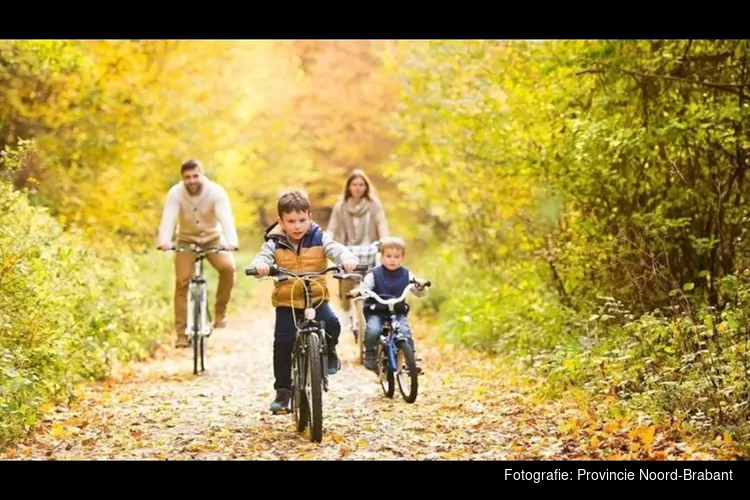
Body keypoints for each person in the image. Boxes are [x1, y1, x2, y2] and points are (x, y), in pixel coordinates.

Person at [247, 189, 359, 414]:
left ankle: (329, 351)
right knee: (283, 342)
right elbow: (263, 257)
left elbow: (335, 249)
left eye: (302, 220)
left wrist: (346, 258)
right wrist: (261, 267)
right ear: (281, 221)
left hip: (315, 297)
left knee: (333, 324)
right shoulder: (274, 242)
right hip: (287, 300)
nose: (297, 226)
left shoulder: (319, 237)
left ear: (310, 217)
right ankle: (283, 391)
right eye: (291, 221)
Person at [157, 159, 239, 348]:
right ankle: (181, 334)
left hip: (213, 239)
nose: (192, 180)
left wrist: (231, 242)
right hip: (186, 240)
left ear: (201, 175)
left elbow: (225, 217)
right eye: (187, 177)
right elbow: (168, 217)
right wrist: (165, 242)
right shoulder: (175, 193)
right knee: (182, 281)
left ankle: (220, 314)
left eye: (195, 176)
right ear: (182, 178)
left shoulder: (215, 192)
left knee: (228, 268)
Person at [350, 236, 427, 373]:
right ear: (381, 257)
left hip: (397, 311)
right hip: (377, 310)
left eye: (397, 257)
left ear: (402, 258)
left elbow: (418, 290)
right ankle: (370, 352)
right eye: (389, 256)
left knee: (405, 331)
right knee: (373, 330)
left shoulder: (407, 274)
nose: (392, 259)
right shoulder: (374, 274)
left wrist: (420, 286)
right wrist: (359, 291)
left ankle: (411, 360)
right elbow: (365, 287)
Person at [325, 169, 390, 332]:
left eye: (361, 184)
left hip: (370, 247)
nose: (358, 187)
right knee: (347, 277)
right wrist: (326, 240)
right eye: (354, 184)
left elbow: (381, 223)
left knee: (374, 279)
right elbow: (332, 228)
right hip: (348, 249)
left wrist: (385, 241)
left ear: (366, 187)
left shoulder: (373, 204)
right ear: (349, 187)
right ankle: (347, 311)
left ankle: (376, 311)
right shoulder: (341, 206)